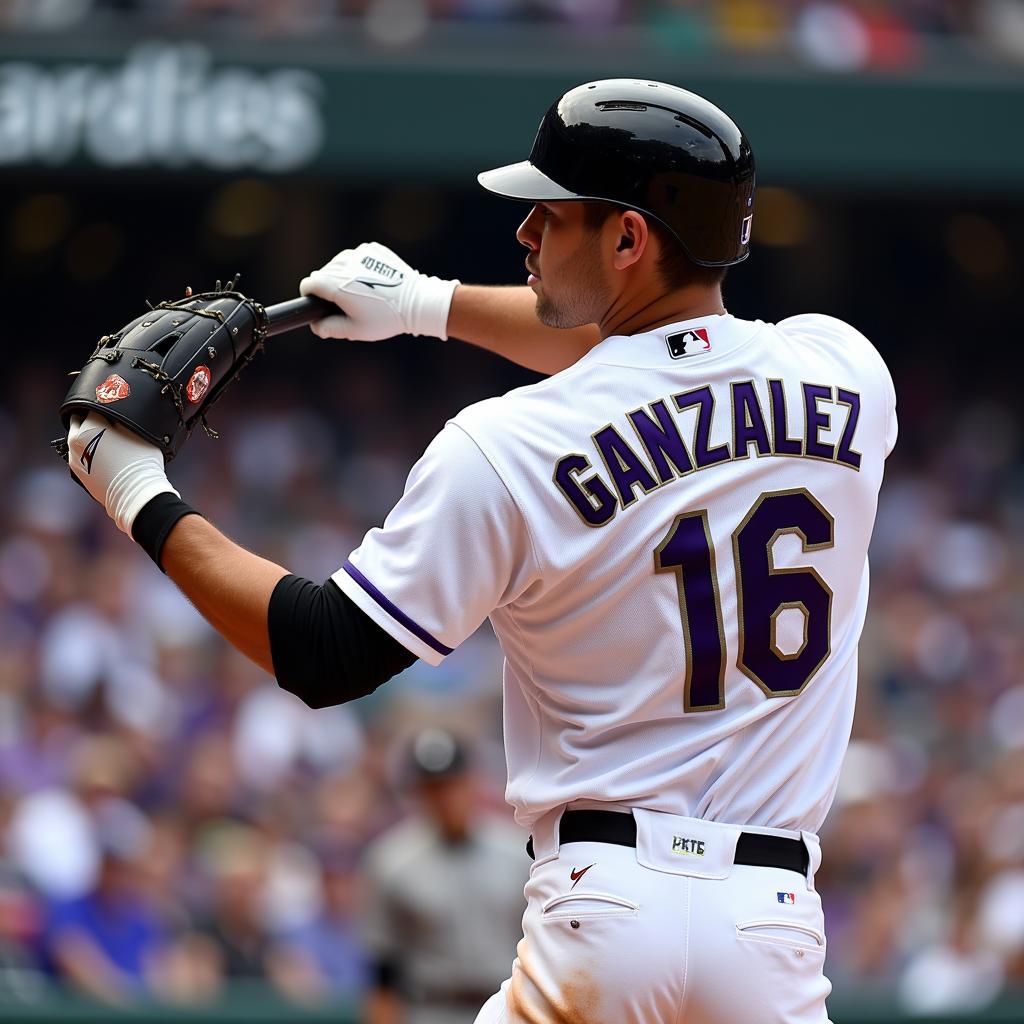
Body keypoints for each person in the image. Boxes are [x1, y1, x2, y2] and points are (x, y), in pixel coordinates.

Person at [65, 78, 897, 1022]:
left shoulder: (504, 445)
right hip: (773, 927)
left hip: (606, 911)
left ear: (628, 239)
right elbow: (659, 358)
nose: (524, 234)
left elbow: (323, 647)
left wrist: (137, 492)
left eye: (549, 214)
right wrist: (425, 303)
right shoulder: (848, 372)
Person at [361, 729, 528, 1024]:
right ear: (418, 794)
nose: (446, 797)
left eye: (453, 784)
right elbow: (383, 971)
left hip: (506, 1008)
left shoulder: (518, 853)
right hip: (429, 1008)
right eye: (434, 787)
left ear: (472, 783)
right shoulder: (391, 860)